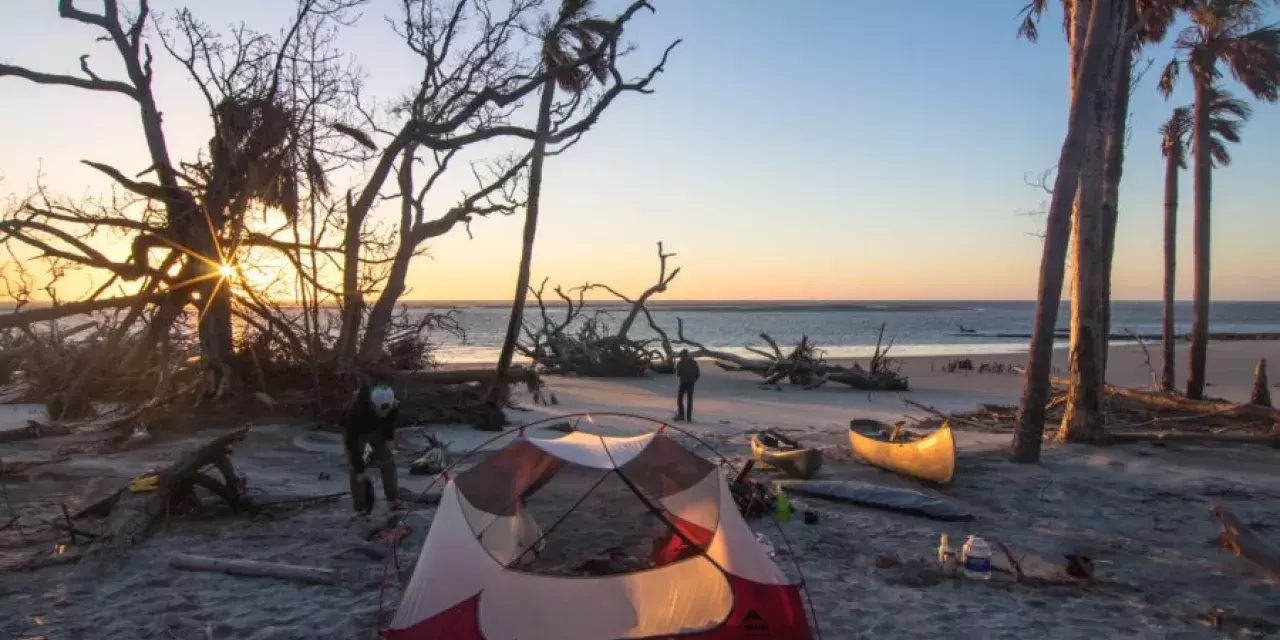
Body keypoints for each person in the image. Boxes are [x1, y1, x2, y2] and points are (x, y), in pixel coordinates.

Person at [342, 381, 402, 514]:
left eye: (388, 408)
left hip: (378, 429)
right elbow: (351, 443)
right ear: (373, 404)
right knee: (357, 470)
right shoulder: (356, 411)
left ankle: (393, 500)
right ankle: (360, 507)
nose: (385, 411)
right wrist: (360, 468)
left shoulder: (393, 402)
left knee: (388, 460)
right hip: (358, 432)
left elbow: (390, 419)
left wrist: (388, 438)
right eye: (382, 409)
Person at [674, 349, 700, 422]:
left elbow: (678, 374)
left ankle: (681, 415)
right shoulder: (694, 362)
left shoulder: (680, 362)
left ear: (682, 355)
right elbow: (698, 374)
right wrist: (693, 380)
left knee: (680, 399)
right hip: (691, 382)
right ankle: (689, 417)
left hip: (683, 382)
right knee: (689, 399)